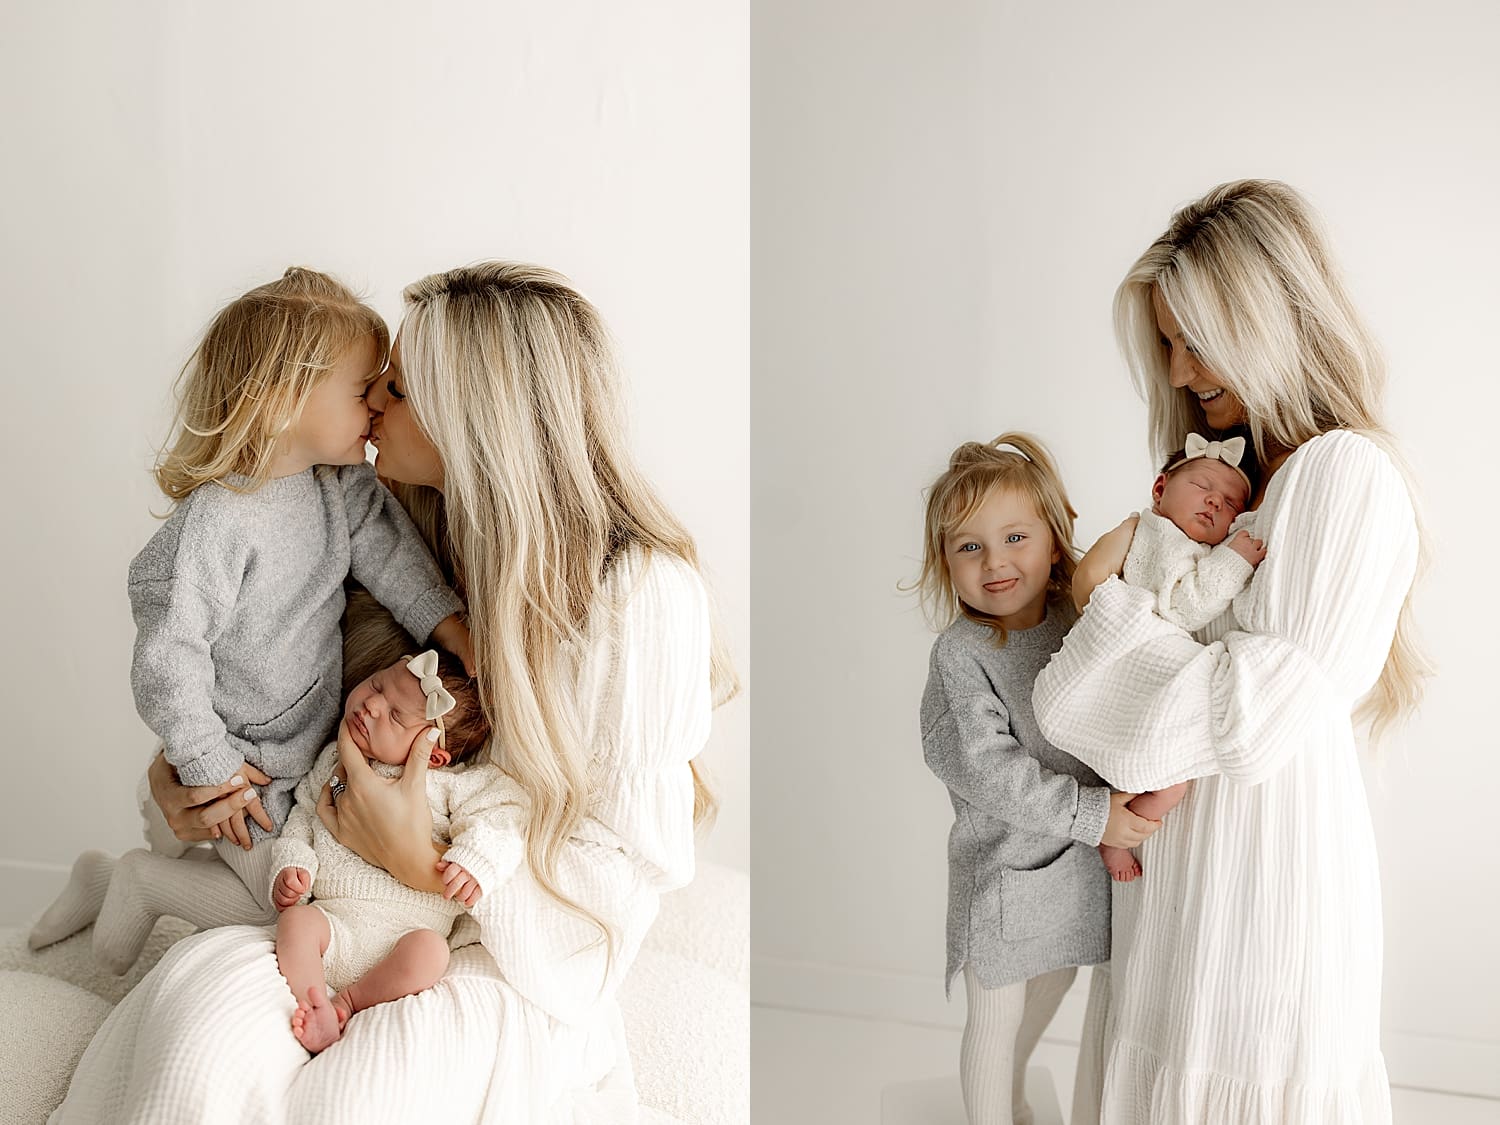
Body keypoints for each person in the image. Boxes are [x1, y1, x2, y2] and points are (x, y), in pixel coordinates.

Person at [49, 261, 734, 1123]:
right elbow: (273, 692)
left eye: (398, 389)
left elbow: (622, 880)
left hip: (493, 945)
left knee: (361, 1099)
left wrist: (421, 863)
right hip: (328, 893)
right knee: (198, 1057)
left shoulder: (640, 595)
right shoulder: (388, 518)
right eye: (374, 386)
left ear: (472, 421)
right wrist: (180, 777)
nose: (375, 407)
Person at [1033, 180, 1426, 1125]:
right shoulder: (1231, 489)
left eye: (1191, 339)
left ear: (1268, 321)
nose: (1174, 373)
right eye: (1165, 343)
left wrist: (1101, 625)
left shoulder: (1347, 475)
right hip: (1171, 893)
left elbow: (1248, 714)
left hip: (1264, 901)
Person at [28, 267, 471, 974]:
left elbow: (390, 548)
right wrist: (206, 761)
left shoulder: (338, 485)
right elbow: (170, 653)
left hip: (309, 748)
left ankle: (107, 877)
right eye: (363, 391)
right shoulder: (218, 522)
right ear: (283, 402)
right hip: (241, 761)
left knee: (296, 878)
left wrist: (447, 624)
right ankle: (129, 892)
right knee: (284, 900)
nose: (376, 410)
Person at [914, 433, 1160, 1125]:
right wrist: (1095, 815)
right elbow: (992, 772)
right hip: (1003, 878)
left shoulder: (1074, 619)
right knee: (994, 1017)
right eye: (970, 547)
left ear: (1053, 541)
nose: (995, 561)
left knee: (1047, 998)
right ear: (946, 564)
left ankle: (1016, 1098)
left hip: (1074, 872)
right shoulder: (961, 656)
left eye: (1015, 536)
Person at [273, 650, 510, 1055]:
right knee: (295, 922)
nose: (372, 704)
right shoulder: (334, 761)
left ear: (433, 754)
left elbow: (504, 816)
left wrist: (476, 860)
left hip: (403, 941)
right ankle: (313, 1001)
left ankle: (346, 1003)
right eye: (378, 684)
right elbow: (304, 813)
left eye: (397, 716)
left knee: (432, 953)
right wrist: (293, 864)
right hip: (335, 925)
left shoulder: (453, 785)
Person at [1078, 433, 1266, 882]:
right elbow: (1185, 605)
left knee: (1149, 764)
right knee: (1171, 779)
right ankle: (1114, 836)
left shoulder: (1172, 539)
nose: (1215, 503)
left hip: (1138, 664)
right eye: (1203, 487)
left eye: (1231, 505)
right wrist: (1235, 560)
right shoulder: (1161, 538)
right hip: (1134, 654)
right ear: (1160, 490)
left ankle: (1116, 819)